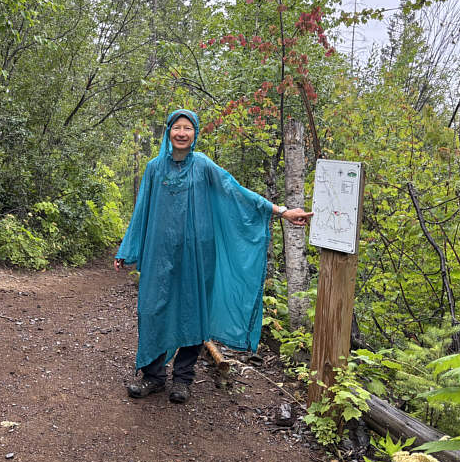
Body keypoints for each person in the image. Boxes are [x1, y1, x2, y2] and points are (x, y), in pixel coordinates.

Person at [114, 108, 312, 404]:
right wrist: (127, 249)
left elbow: (237, 193)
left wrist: (282, 211)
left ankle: (182, 380)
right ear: (168, 132)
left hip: (197, 254)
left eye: (188, 128)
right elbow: (142, 210)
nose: (182, 133)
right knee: (152, 310)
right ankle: (153, 377)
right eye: (177, 127)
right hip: (159, 254)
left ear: (194, 134)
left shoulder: (204, 165)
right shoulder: (154, 168)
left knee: (193, 312)